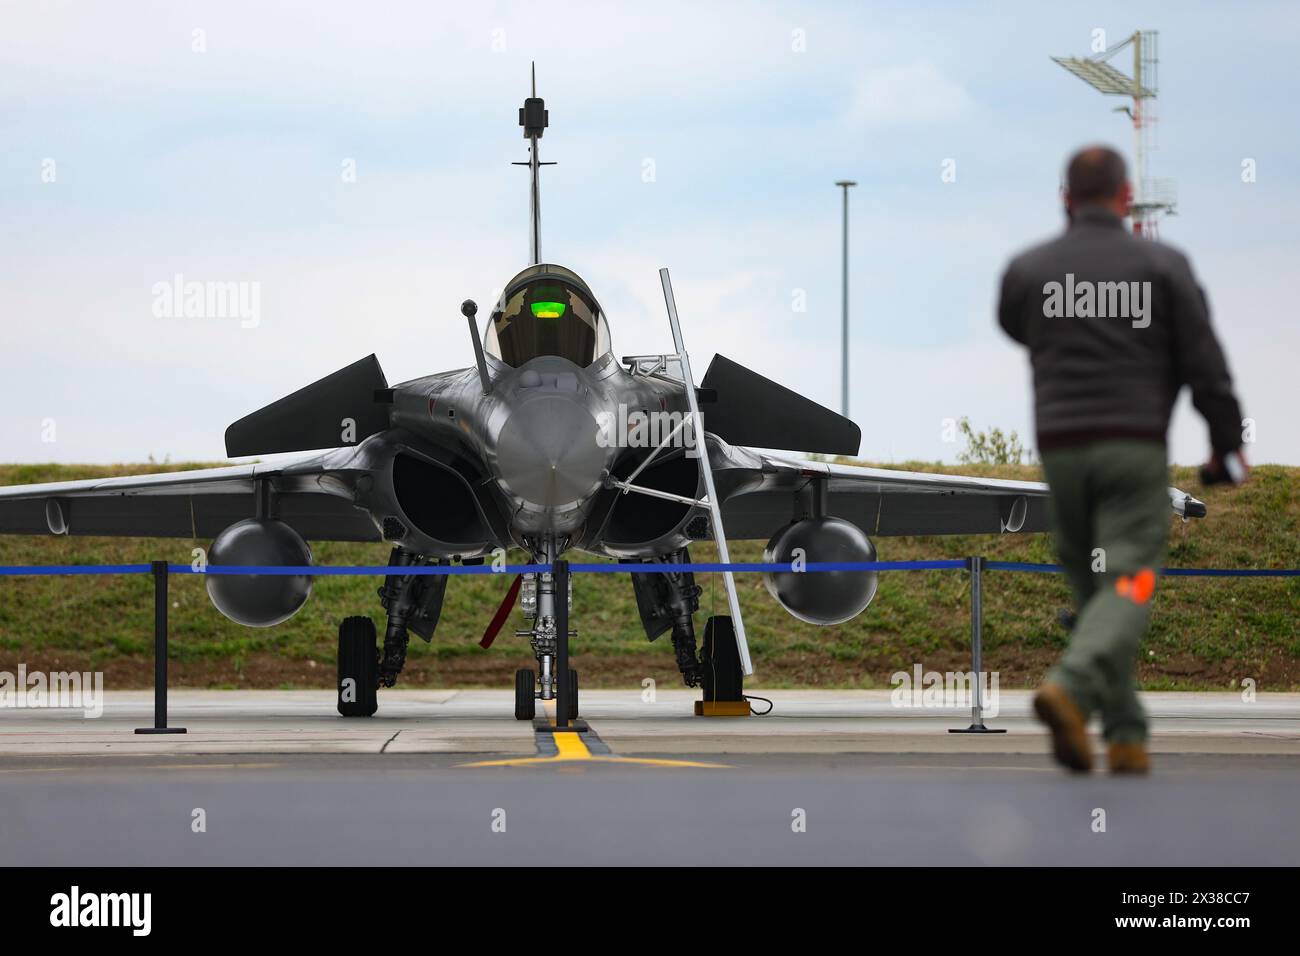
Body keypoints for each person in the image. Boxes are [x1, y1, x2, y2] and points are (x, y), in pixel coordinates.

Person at [997, 145, 1248, 774]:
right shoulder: (1163, 266)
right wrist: (1225, 445)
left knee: (1096, 595)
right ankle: (1073, 687)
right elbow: (1204, 364)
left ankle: (1128, 735)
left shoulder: (1029, 270)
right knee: (1129, 582)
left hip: (1060, 453)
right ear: (1126, 197)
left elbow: (1015, 324)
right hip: (1133, 450)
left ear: (1065, 199)